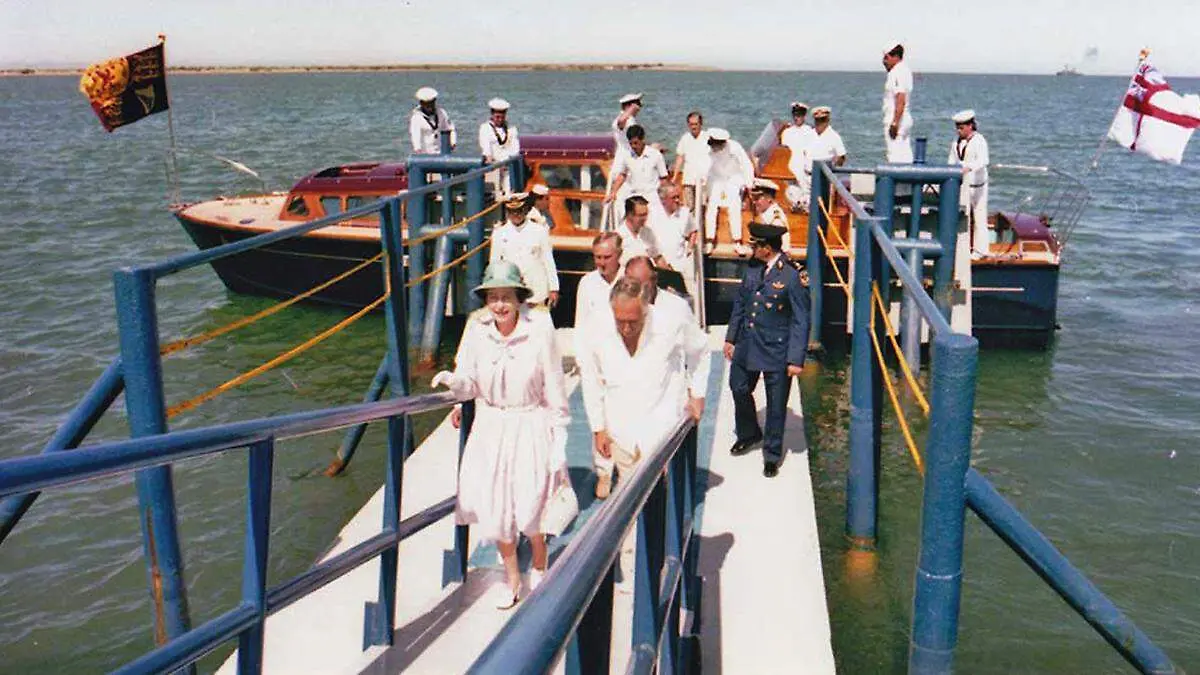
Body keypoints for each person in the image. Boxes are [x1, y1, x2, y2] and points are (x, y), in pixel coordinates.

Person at [430, 261, 570, 609]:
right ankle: (511, 579)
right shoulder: (477, 330)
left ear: (520, 299)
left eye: (506, 297)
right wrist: (453, 384)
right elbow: (469, 382)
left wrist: (560, 434)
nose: (500, 305)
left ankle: (539, 561)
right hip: (491, 429)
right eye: (493, 297)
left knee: (530, 509)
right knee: (495, 511)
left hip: (529, 425)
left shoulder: (539, 330)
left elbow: (554, 386)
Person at [577, 277, 707, 582]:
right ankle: (634, 571)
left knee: (660, 502)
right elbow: (591, 378)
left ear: (646, 309)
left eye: (632, 322)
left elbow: (700, 351)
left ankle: (663, 563)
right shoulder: (597, 326)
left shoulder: (672, 319)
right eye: (619, 321)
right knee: (625, 503)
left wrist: (697, 395)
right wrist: (598, 427)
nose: (625, 329)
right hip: (621, 430)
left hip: (661, 429)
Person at [723, 222, 810, 478]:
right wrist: (731, 337)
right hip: (748, 343)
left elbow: (801, 319)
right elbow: (741, 303)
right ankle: (749, 432)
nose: (752, 249)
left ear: (767, 248)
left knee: (775, 406)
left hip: (777, 350)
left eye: (756, 246)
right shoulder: (752, 268)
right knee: (738, 386)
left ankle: (772, 454)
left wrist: (796, 358)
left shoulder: (792, 276)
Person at [572, 232, 623, 498]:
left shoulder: (630, 281)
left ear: (619, 256)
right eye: (597, 258)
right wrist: (582, 358)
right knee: (598, 415)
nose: (601, 263)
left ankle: (627, 467)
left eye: (606, 257)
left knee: (623, 414)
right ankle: (604, 471)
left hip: (623, 359)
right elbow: (581, 325)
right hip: (594, 359)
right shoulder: (587, 284)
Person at [491, 192, 560, 308]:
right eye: (512, 211)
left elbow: (548, 261)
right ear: (507, 212)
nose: (516, 214)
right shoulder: (499, 233)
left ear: (526, 210)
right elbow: (495, 264)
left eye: (519, 210)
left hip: (536, 290)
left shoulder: (539, 231)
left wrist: (554, 288)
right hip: (512, 290)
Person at [703, 128, 755, 256]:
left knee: (734, 206)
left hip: (733, 179)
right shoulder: (707, 149)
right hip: (716, 179)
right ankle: (709, 240)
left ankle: (737, 242)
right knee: (711, 207)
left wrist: (749, 184)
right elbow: (702, 167)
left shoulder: (735, 147)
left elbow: (746, 164)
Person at [948, 109, 991, 258]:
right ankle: (963, 248)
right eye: (957, 128)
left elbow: (984, 160)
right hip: (963, 185)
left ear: (970, 126)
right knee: (963, 217)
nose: (958, 131)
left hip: (978, 185)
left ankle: (981, 250)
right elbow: (952, 160)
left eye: (961, 127)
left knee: (979, 217)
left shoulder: (979, 140)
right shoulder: (956, 142)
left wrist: (969, 168)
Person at [606, 124, 669, 222]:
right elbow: (622, 175)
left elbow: (664, 179)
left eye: (636, 143)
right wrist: (613, 192)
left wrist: (666, 198)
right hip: (634, 196)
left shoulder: (655, 155)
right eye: (631, 143)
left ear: (642, 139)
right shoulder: (627, 156)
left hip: (652, 197)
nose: (633, 146)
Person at [652, 183, 698, 297]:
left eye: (678, 196)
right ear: (663, 200)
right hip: (657, 266)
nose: (678, 200)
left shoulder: (685, 213)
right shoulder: (652, 213)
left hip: (678, 267)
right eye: (674, 198)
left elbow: (693, 231)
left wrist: (690, 248)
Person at [780, 102, 817, 211]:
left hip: (804, 169)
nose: (797, 118)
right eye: (795, 115)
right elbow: (783, 152)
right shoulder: (786, 132)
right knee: (791, 193)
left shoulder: (810, 131)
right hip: (791, 168)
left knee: (806, 195)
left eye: (799, 115)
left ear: (804, 116)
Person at [479, 97, 520, 194]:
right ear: (492, 114)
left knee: (510, 192)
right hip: (493, 167)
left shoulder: (511, 129)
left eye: (502, 117)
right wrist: (495, 163)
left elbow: (515, 149)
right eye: (497, 117)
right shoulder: (485, 128)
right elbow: (486, 149)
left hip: (508, 167)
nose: (500, 119)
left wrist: (508, 162)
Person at [882, 44, 914, 163]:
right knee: (905, 154)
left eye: (886, 58)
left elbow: (900, 97)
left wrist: (895, 122)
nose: (884, 62)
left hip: (896, 120)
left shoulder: (897, 72)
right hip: (904, 119)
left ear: (895, 56)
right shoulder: (905, 70)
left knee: (894, 155)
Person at [614, 195, 667, 268]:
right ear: (629, 215)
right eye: (641, 215)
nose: (645, 218)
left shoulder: (648, 233)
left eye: (646, 214)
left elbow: (658, 258)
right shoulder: (617, 236)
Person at [672, 111, 711, 211]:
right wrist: (675, 177)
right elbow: (680, 157)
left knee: (702, 208)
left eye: (696, 124)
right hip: (688, 180)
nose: (693, 127)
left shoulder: (708, 138)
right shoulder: (685, 138)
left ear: (701, 124)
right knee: (688, 209)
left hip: (704, 180)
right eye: (691, 124)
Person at [749, 178, 792, 252]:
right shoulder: (765, 214)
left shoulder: (775, 217)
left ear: (769, 198)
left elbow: (784, 247)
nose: (754, 202)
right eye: (753, 198)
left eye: (757, 198)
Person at [410, 86, 456, 155]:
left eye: (431, 103)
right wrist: (417, 149)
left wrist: (453, 142)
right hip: (425, 154)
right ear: (421, 103)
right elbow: (415, 135)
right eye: (426, 104)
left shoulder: (441, 113)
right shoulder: (416, 118)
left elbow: (450, 128)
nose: (429, 106)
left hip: (441, 152)